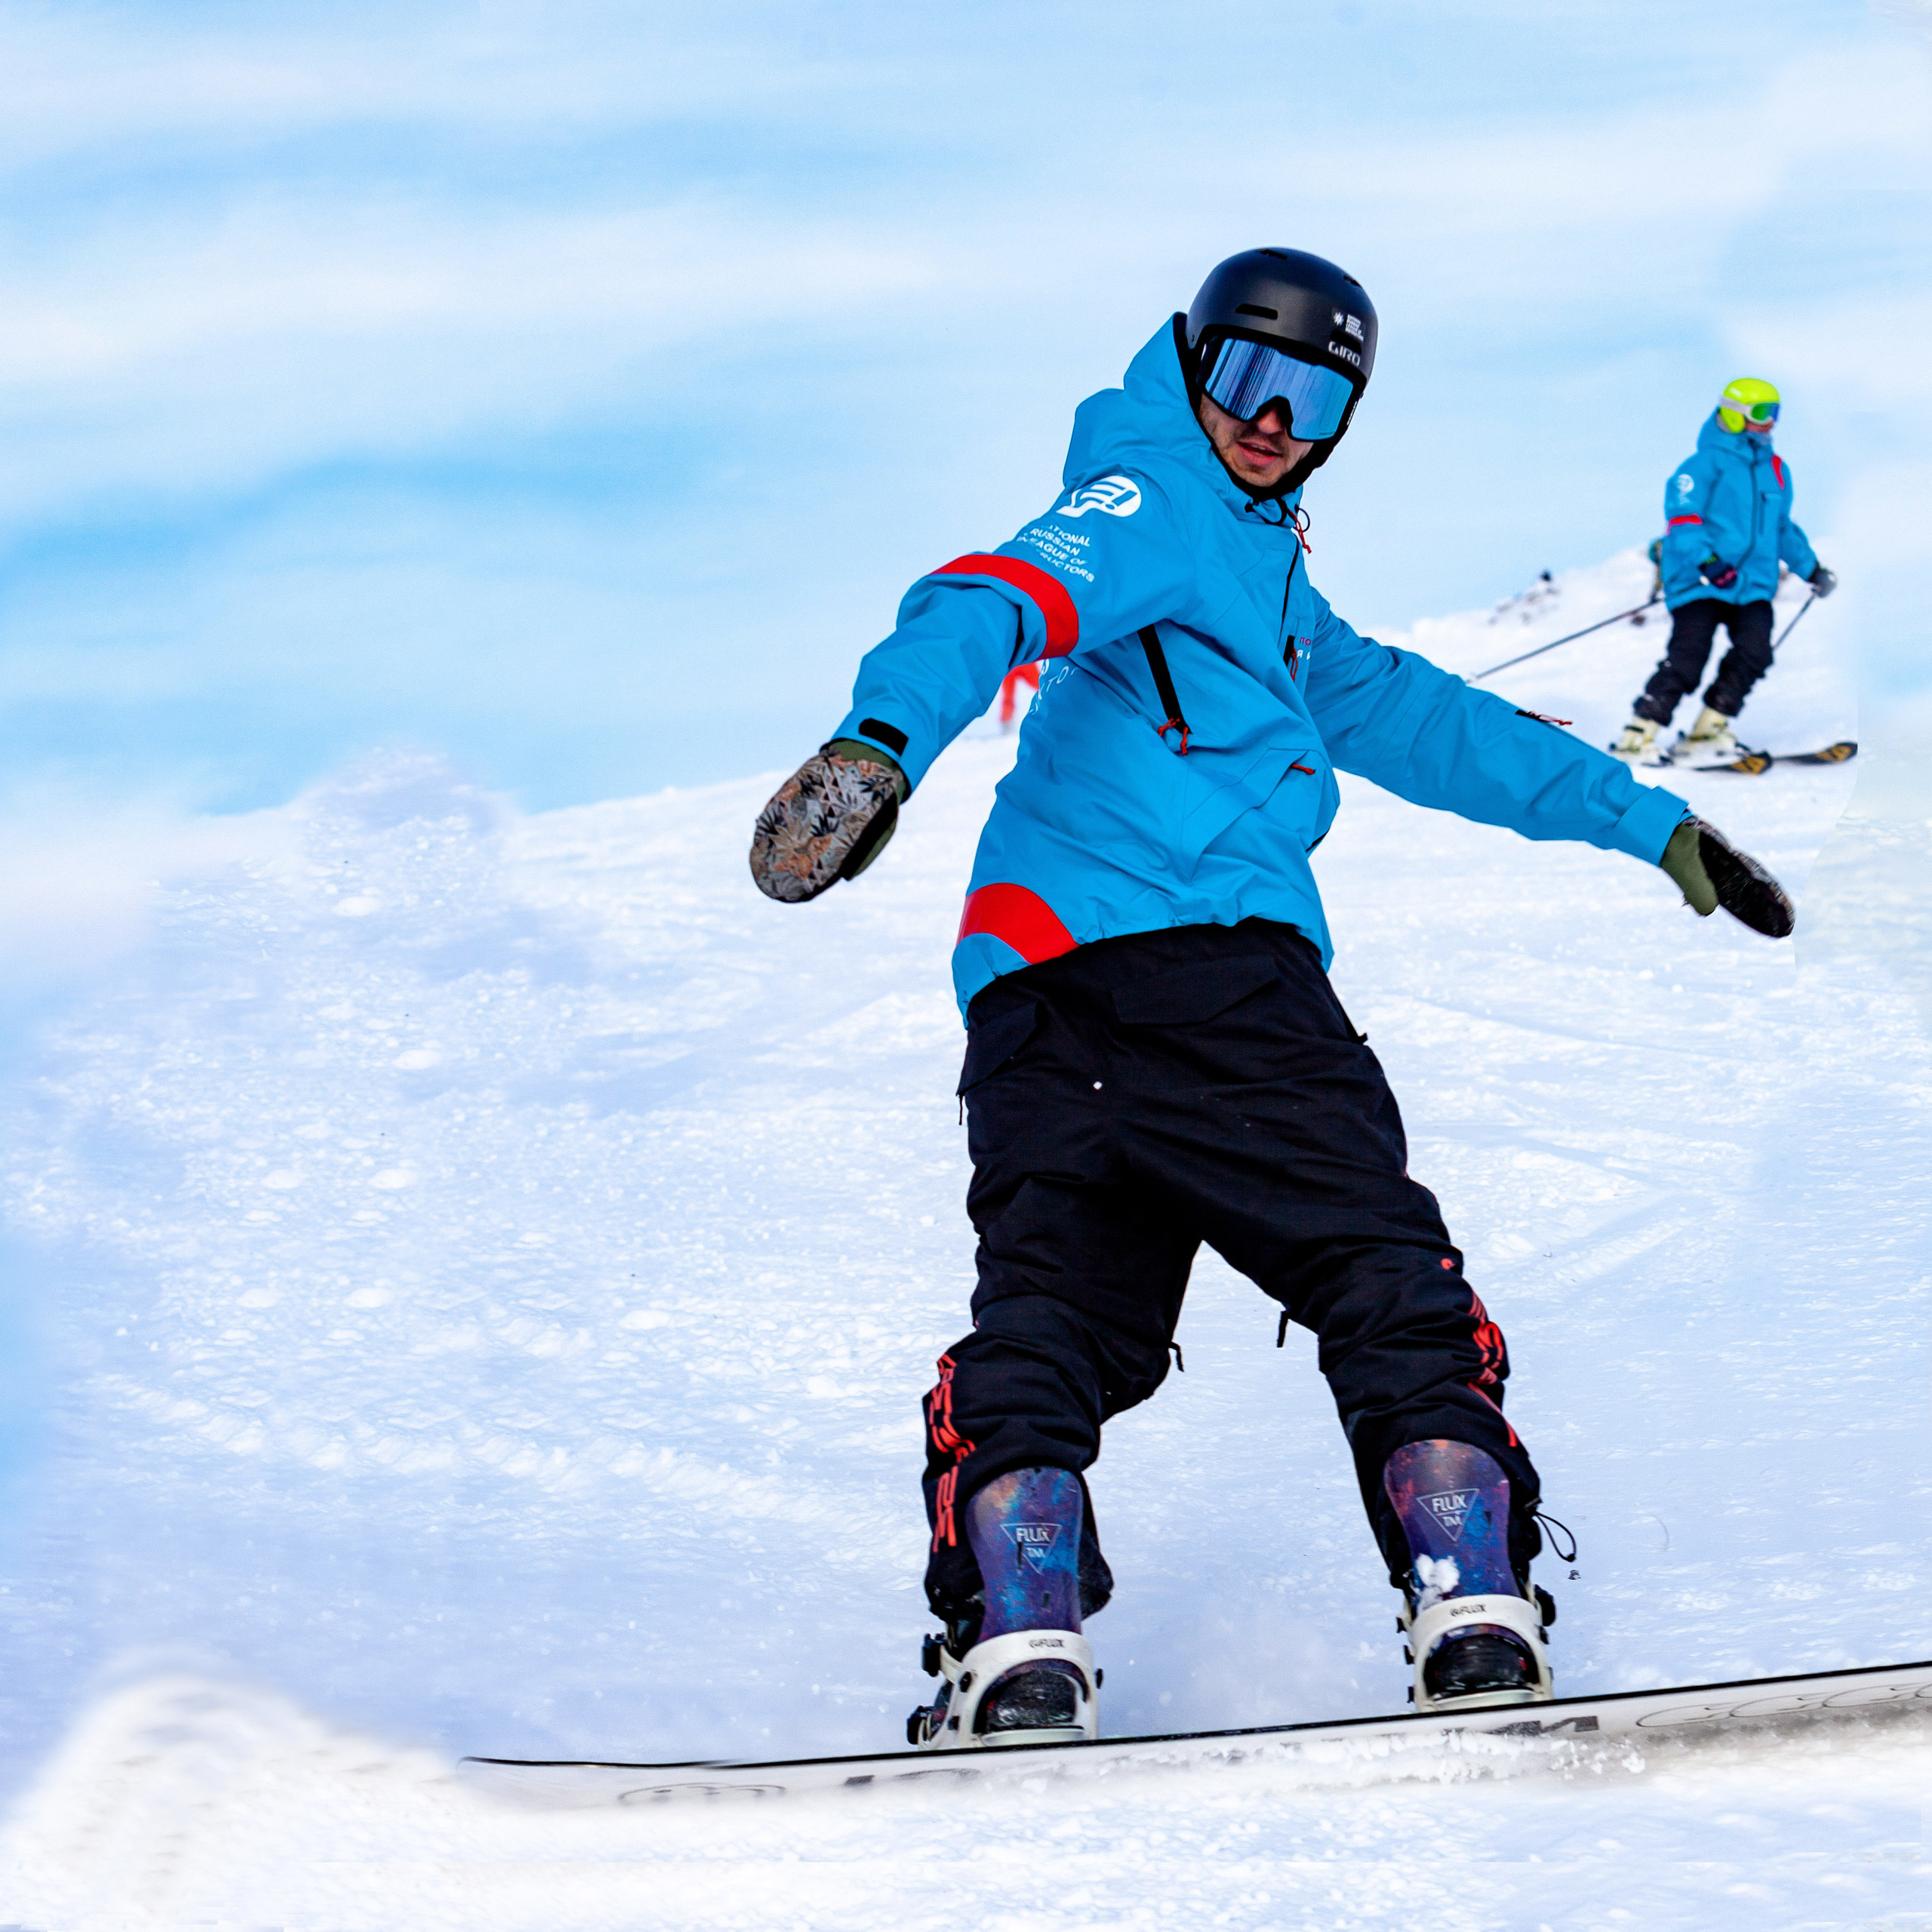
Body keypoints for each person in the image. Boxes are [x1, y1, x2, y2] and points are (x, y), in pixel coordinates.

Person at [749, 249, 1796, 1749]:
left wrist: (1653, 825)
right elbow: (996, 593)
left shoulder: (1271, 592)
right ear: (1191, 364)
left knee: (1055, 1319)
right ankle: (1469, 1601)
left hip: (1035, 1010)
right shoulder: (1154, 501)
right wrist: (878, 741)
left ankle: (1018, 1642)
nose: (1272, 419)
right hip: (1216, 984)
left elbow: (1438, 723)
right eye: (1248, 375)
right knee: (1383, 1276)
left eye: (1314, 397)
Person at [1614, 379, 1836, 765]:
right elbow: (1683, 521)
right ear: (1735, 414)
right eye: (1763, 413)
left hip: (1752, 584)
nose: (1771, 422)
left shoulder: (1776, 470)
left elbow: (1781, 528)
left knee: (1756, 653)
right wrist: (1709, 562)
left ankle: (1709, 728)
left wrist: (1811, 570)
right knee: (1689, 657)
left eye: (1776, 413)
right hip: (1700, 581)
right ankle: (1638, 734)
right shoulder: (1700, 466)